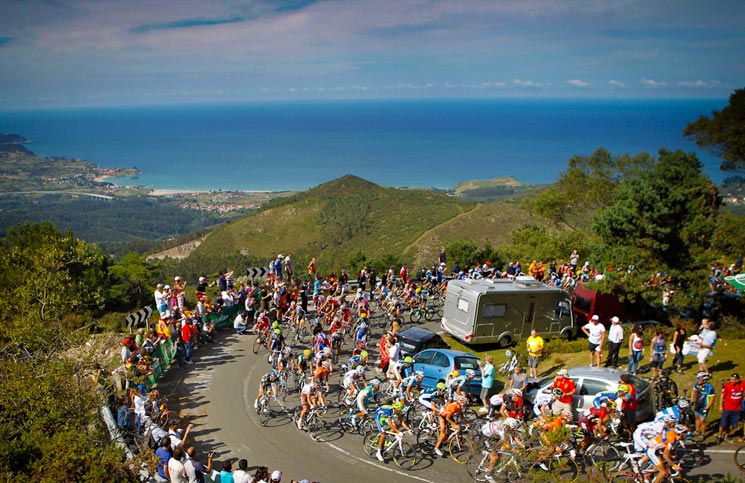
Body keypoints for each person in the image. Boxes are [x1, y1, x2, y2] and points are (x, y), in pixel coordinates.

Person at [717, 373, 744, 444]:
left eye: (733, 380)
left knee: (733, 425)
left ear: (737, 380)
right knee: (723, 424)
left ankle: (727, 435)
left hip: (737, 409)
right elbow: (722, 396)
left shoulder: (742, 384)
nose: (731, 381)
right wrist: (720, 406)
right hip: (727, 408)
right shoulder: (728, 386)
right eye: (730, 379)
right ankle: (719, 436)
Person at [691, 371, 715, 436]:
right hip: (697, 404)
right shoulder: (696, 384)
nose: (698, 380)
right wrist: (692, 400)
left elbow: (712, 400)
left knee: (702, 421)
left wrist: (706, 408)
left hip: (704, 406)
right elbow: (693, 391)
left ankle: (703, 434)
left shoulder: (709, 388)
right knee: (697, 418)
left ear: (704, 380)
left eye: (699, 379)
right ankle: (697, 430)